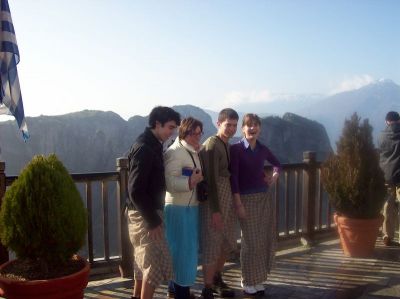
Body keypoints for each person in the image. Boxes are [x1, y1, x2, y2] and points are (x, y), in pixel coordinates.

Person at [127, 106, 181, 299]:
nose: (172, 132)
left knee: (142, 264)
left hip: (147, 212)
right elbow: (135, 190)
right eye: (170, 127)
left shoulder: (153, 144)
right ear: (157, 124)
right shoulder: (145, 148)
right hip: (145, 215)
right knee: (153, 265)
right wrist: (152, 220)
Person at [229, 113, 281, 295]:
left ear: (259, 128)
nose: (252, 128)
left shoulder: (263, 149)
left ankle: (258, 279)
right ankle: (247, 280)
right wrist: (238, 204)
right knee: (250, 242)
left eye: (256, 125)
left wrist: (274, 176)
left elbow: (277, 164)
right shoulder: (235, 150)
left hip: (263, 198)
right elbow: (233, 178)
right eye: (249, 125)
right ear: (242, 129)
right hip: (245, 200)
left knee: (261, 240)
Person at [199, 108, 239, 299]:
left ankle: (216, 277)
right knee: (212, 242)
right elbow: (211, 181)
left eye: (234, 125)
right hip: (214, 202)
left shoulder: (226, 144)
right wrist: (215, 211)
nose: (231, 129)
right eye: (228, 125)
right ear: (218, 123)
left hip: (226, 198)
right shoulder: (212, 145)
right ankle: (207, 287)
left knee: (225, 241)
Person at [164, 117, 205, 299]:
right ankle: (182, 293)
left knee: (181, 251)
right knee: (183, 253)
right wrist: (190, 181)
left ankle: (174, 289)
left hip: (189, 206)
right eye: (193, 133)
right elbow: (170, 182)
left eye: (199, 133)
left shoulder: (192, 151)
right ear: (184, 132)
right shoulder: (174, 152)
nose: (197, 137)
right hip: (178, 209)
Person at [378, 111, 400, 246]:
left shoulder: (381, 136)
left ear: (387, 121)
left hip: (387, 175)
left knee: (387, 206)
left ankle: (387, 235)